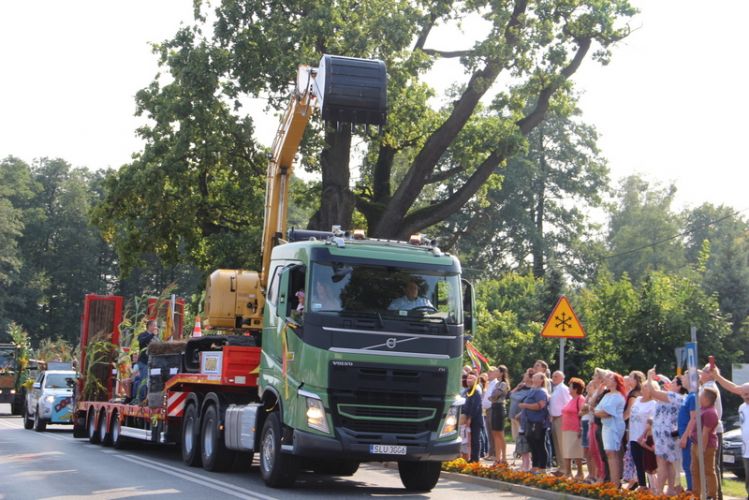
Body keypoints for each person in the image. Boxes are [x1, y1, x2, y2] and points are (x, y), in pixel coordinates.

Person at [710, 365, 749, 499]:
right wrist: (717, 376)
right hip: (745, 451)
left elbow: (735, 388)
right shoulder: (742, 407)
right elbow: (734, 388)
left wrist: (717, 377)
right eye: (744, 393)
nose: (746, 395)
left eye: (748, 393)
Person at [648, 369, 684, 495]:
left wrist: (649, 377)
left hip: (665, 434)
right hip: (669, 434)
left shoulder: (673, 396)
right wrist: (661, 377)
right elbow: (666, 385)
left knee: (662, 463)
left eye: (674, 382)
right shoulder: (676, 396)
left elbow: (652, 391)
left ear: (679, 386)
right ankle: (670, 490)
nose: (670, 384)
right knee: (669, 463)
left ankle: (658, 492)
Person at [595, 372, 626, 487]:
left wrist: (600, 412)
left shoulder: (618, 396)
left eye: (609, 378)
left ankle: (615, 483)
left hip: (614, 426)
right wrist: (599, 412)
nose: (606, 380)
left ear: (615, 381)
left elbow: (606, 412)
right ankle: (614, 482)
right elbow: (597, 410)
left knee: (612, 452)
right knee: (609, 453)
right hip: (606, 426)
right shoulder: (607, 395)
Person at [690, 386, 720, 499]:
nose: (699, 396)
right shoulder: (702, 409)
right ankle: (696, 494)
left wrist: (702, 448)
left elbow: (705, 432)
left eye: (701, 395)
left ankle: (712, 495)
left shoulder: (710, 412)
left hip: (706, 446)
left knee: (708, 470)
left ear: (706, 398)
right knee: (695, 470)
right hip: (696, 443)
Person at [630, 380, 658, 491]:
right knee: (637, 462)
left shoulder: (653, 404)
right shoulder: (637, 400)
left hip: (645, 437)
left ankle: (653, 487)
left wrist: (643, 435)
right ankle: (642, 485)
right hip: (633, 435)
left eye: (647, 387)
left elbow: (650, 422)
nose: (644, 388)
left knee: (647, 462)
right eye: (644, 386)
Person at [519, 372, 550, 471]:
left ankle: (542, 467)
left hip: (538, 423)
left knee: (540, 445)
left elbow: (540, 405)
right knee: (533, 445)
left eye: (536, 377)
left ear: (541, 380)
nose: (533, 378)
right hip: (530, 422)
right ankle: (535, 466)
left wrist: (525, 406)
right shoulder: (533, 390)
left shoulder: (541, 392)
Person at [561, 377, 586, 479]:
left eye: (570, 387)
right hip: (566, 428)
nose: (568, 389)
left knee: (576, 451)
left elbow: (583, 413)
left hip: (575, 428)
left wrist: (581, 428)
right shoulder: (571, 400)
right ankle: (568, 472)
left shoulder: (580, 399)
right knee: (567, 451)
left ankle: (580, 473)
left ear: (575, 389)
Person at [549, 370, 572, 470]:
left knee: (562, 444)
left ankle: (566, 468)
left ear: (562, 378)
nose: (554, 378)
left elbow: (568, 403)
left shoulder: (563, 389)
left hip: (561, 418)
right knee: (557, 444)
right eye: (553, 376)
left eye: (556, 376)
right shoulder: (555, 389)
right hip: (554, 419)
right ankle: (561, 467)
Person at [133, 320, 158, 402]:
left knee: (151, 382)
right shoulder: (142, 335)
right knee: (143, 380)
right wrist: (152, 335)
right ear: (150, 326)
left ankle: (148, 399)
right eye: (154, 325)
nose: (156, 327)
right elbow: (142, 342)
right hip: (143, 362)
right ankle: (141, 399)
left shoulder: (155, 337)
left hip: (153, 363)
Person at [490, 365, 510, 465]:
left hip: (500, 408)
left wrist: (492, 396)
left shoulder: (503, 384)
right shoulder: (497, 384)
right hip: (494, 407)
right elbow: (491, 397)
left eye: (497, 371)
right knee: (495, 433)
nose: (495, 373)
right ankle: (497, 458)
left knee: (500, 434)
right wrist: (492, 397)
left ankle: (505, 458)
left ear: (502, 373)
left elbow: (494, 396)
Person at [463, 372, 484, 462]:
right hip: (467, 418)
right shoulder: (467, 391)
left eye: (471, 378)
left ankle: (475, 458)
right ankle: (470, 457)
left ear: (476, 381)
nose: (468, 380)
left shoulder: (476, 392)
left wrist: (469, 418)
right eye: (468, 378)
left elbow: (476, 406)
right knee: (469, 440)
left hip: (475, 419)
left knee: (475, 439)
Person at [482, 366, 499, 460]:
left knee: (493, 432)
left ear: (496, 373)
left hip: (492, 409)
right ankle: (491, 452)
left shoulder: (496, 384)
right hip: (488, 410)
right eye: (488, 372)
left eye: (491, 372)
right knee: (489, 432)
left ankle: (495, 454)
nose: (489, 373)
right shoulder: (489, 383)